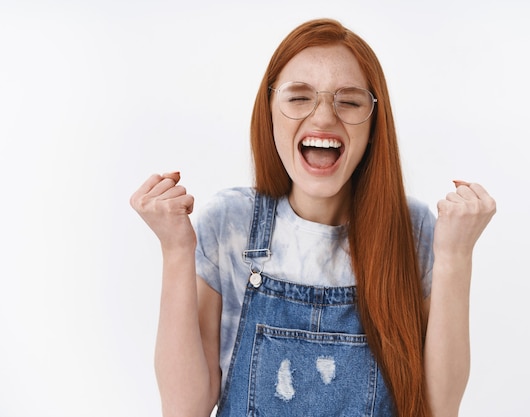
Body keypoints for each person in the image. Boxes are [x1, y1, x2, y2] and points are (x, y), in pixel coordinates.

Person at [130, 18, 496, 417]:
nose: (323, 118)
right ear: (270, 112)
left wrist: (457, 256)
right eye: (299, 98)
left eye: (350, 101)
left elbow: (439, 409)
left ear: (374, 125)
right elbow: (185, 409)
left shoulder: (414, 231)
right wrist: (176, 248)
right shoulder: (229, 225)